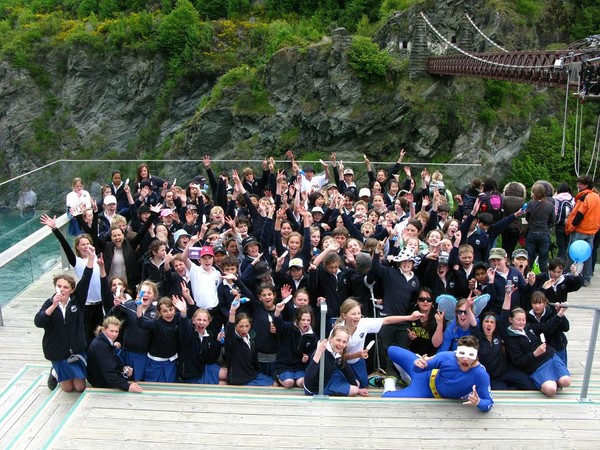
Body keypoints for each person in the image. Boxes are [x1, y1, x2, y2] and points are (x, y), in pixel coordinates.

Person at [34, 249, 95, 393]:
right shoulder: (49, 303)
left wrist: (91, 259)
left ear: (72, 290)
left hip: (75, 350)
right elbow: (39, 321)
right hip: (57, 350)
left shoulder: (77, 301)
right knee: (67, 389)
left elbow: (86, 279)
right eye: (59, 286)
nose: (62, 289)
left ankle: (60, 372)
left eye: (66, 287)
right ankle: (55, 371)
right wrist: (53, 306)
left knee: (80, 388)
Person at [382, 336, 494, 412]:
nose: (465, 359)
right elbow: (418, 370)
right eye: (461, 354)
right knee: (392, 350)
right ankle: (405, 375)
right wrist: (418, 364)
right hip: (426, 374)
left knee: (386, 398)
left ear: (476, 356)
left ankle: (389, 381)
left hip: (425, 391)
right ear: (456, 353)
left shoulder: (481, 375)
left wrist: (478, 402)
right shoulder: (447, 356)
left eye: (470, 355)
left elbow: (489, 403)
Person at [334, 298, 424, 388]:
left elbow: (386, 320)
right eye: (353, 314)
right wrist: (357, 354)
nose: (357, 316)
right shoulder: (338, 330)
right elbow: (336, 356)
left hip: (357, 361)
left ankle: (371, 379)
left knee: (363, 386)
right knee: (346, 386)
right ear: (344, 316)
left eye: (359, 313)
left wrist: (409, 317)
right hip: (341, 361)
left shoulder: (363, 323)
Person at [504, 305, 571, 396]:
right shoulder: (510, 338)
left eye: (523, 320)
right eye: (518, 320)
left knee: (566, 381)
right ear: (511, 320)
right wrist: (535, 354)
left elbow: (547, 327)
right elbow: (518, 361)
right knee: (551, 390)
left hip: (550, 358)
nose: (521, 322)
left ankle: (554, 380)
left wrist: (559, 313)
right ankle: (549, 382)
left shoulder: (529, 327)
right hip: (535, 367)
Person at [304, 327, 368, 397]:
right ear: (331, 338)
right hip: (317, 387)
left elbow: (346, 369)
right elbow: (309, 376)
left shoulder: (337, 350)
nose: (340, 344)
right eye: (338, 340)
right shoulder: (322, 350)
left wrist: (357, 386)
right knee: (354, 390)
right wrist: (318, 352)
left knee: (356, 383)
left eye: (344, 342)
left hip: (329, 377)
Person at [86, 316, 143, 392]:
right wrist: (127, 387)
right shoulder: (100, 346)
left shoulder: (104, 340)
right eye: (111, 331)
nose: (114, 334)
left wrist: (123, 367)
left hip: (101, 378)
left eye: (117, 331)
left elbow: (113, 358)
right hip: (101, 382)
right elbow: (109, 374)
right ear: (104, 330)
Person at [565, 175, 600, 286]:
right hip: (592, 230)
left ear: (585, 185)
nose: (578, 185)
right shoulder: (596, 196)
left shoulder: (584, 197)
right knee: (587, 255)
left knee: (572, 253)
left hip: (580, 230)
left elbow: (578, 215)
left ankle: (568, 274)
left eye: (580, 183)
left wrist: (570, 227)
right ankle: (586, 278)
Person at [524, 182, 555, 273]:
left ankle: (527, 276)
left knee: (530, 257)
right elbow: (553, 220)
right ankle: (544, 278)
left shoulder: (530, 203)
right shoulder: (550, 205)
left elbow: (527, 217)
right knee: (543, 258)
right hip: (544, 232)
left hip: (532, 232)